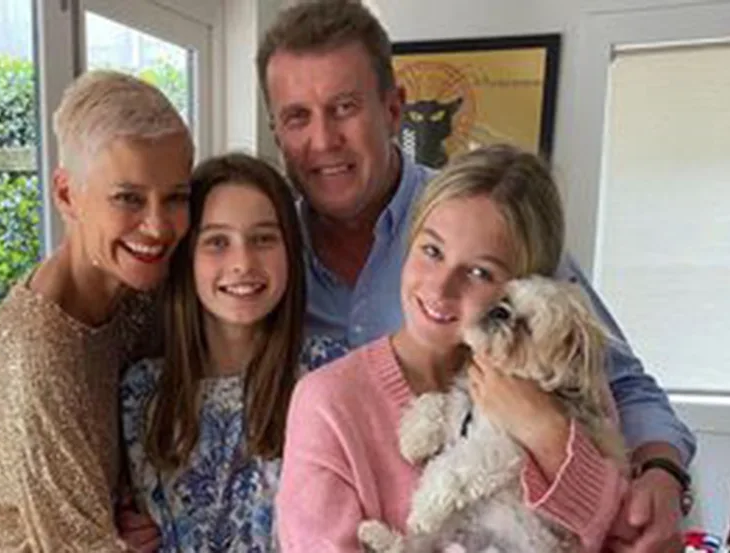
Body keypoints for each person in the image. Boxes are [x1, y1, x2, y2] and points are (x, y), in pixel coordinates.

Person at [256, 2, 695, 551]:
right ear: (276, 129)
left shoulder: (486, 219)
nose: (323, 140)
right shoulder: (259, 260)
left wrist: (659, 471)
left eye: (344, 107)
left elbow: (612, 383)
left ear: (394, 109)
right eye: (298, 116)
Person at [276, 144, 627, 552]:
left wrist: (544, 430)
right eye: (432, 251)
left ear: (529, 288)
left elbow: (621, 534)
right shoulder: (329, 403)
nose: (440, 288)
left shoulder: (568, 390)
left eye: (480, 272)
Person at [0, 70, 195, 552]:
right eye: (128, 198)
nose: (157, 226)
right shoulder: (36, 356)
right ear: (66, 195)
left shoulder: (137, 287)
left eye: (175, 197)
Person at [119, 153, 305, 552]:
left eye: (263, 239)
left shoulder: (324, 378)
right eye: (217, 242)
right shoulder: (142, 391)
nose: (242, 262)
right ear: (187, 257)